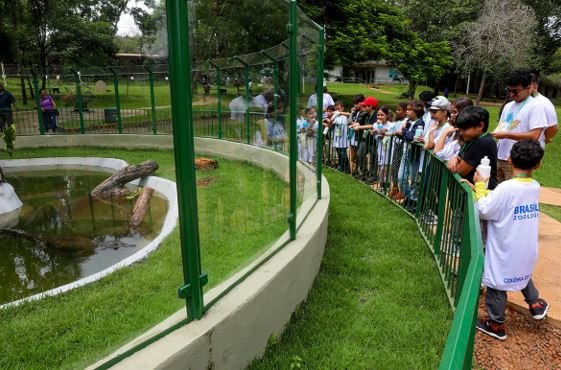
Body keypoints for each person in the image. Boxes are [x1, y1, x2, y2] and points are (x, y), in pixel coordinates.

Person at [472, 140, 549, 341]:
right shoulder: (534, 186)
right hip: (525, 243)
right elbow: (506, 202)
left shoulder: (506, 188)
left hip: (505, 244)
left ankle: (496, 324)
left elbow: (485, 210)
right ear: (538, 165)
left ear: (509, 158)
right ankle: (534, 304)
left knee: (498, 282)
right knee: (522, 270)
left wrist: (480, 186)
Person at [491, 69, 547, 182]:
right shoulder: (508, 106)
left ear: (528, 87)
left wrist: (507, 135)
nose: (511, 94)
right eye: (509, 90)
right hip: (499, 157)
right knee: (497, 193)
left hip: (516, 161)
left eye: (515, 91)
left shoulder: (536, 107)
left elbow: (534, 136)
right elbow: (503, 127)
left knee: (514, 195)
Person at [449, 106, 498, 189]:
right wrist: (455, 158)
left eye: (464, 129)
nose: (461, 133)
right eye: (460, 129)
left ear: (480, 126)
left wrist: (456, 162)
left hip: (481, 191)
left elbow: (460, 171)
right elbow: (461, 158)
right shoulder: (473, 139)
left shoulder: (481, 143)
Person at [530, 73, 558, 146]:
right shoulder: (519, 100)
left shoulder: (543, 102)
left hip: (533, 147)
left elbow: (553, 127)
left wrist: (544, 138)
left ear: (535, 86)